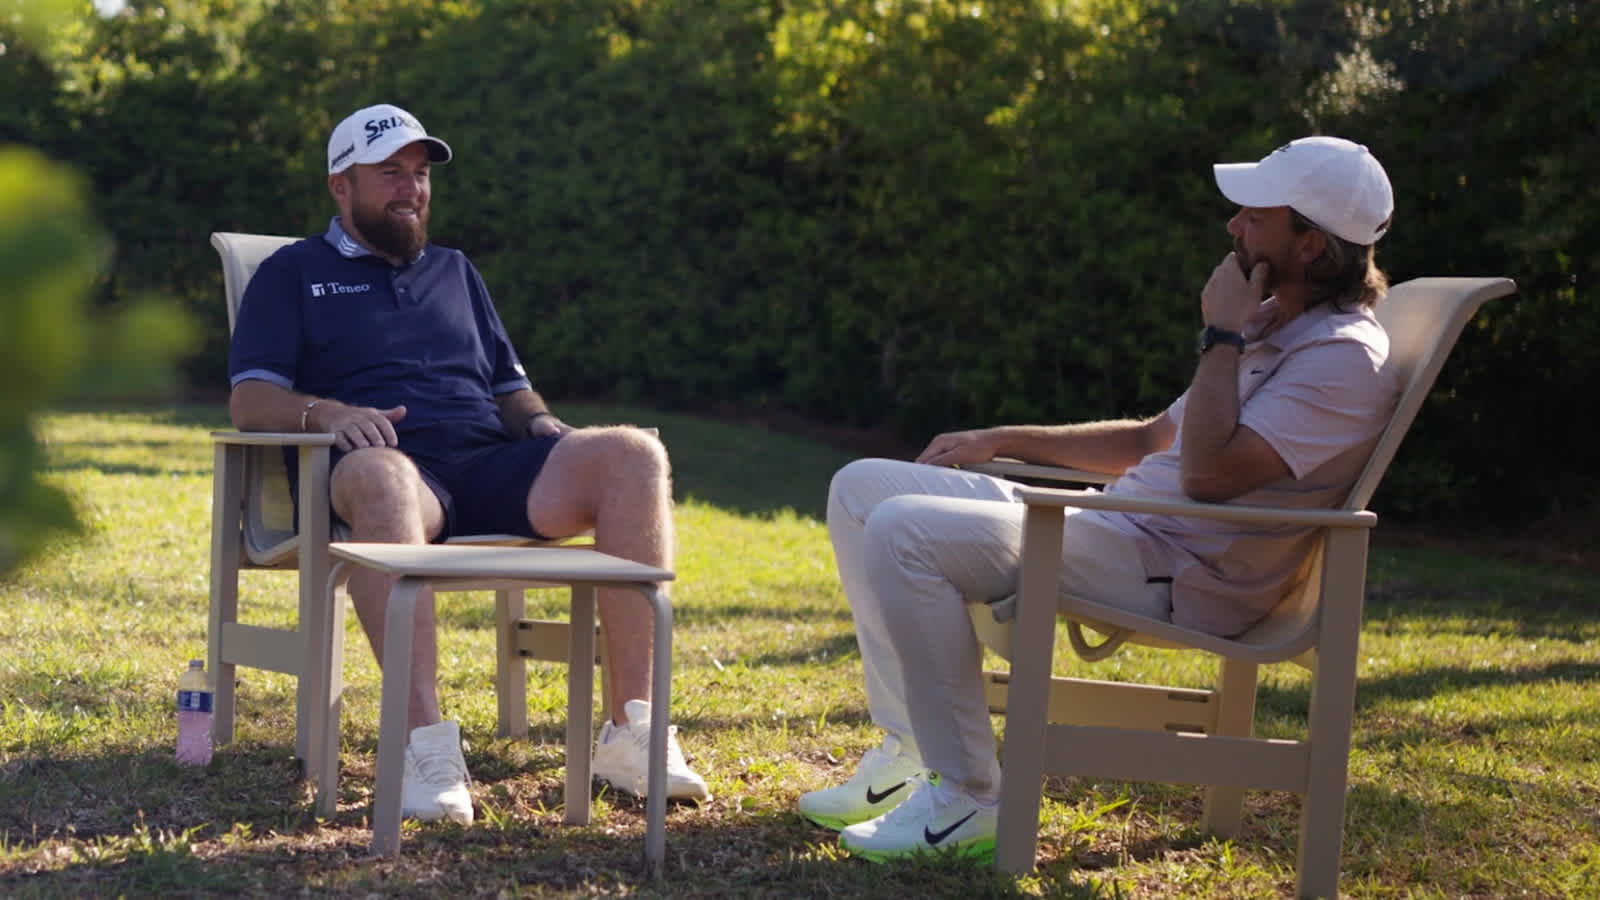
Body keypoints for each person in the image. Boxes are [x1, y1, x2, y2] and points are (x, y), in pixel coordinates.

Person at [797, 136, 1401, 861]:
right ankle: (906, 751)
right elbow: (1153, 441)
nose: (1232, 228)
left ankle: (968, 800)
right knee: (862, 488)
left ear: (1308, 245)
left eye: (1252, 216)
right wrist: (1003, 437)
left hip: (1175, 569)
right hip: (1118, 527)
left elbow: (1207, 478)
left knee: (903, 530)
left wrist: (1221, 334)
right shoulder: (1276, 327)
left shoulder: (1341, 361)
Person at [228, 103, 711, 825]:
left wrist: (546, 426)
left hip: (489, 463)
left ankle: (632, 732)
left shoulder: (456, 271)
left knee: (633, 453)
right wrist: (328, 414)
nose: (410, 188)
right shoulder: (292, 271)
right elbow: (250, 397)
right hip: (387, 472)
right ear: (341, 185)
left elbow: (510, 389)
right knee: (385, 472)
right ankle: (422, 745)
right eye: (389, 172)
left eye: (419, 174)